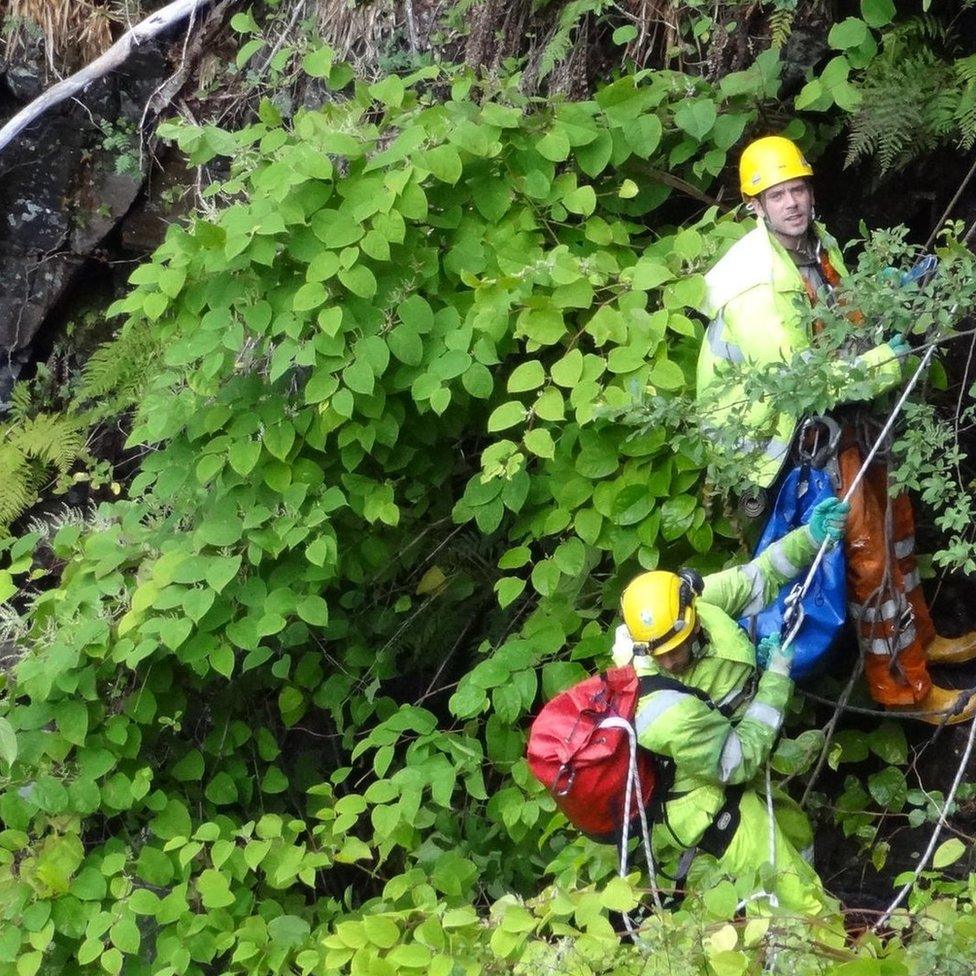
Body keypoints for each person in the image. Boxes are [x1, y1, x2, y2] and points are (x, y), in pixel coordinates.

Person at [695, 134, 976, 724]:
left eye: (798, 188)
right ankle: (905, 690)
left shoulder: (813, 251)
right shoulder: (755, 288)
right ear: (756, 206)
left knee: (896, 524)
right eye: (778, 195)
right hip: (784, 450)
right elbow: (806, 380)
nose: (792, 202)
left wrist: (887, 299)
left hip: (830, 423)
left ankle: (921, 641)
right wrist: (885, 359)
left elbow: (840, 321)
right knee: (867, 553)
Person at [613, 497, 848, 919]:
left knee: (797, 836)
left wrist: (810, 538)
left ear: (691, 612)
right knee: (797, 904)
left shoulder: (697, 604)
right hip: (710, 801)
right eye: (658, 653)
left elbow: (760, 576)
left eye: (676, 646)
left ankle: (782, 940)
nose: (669, 660)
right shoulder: (660, 708)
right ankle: (813, 939)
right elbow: (736, 760)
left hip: (741, 778)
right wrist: (776, 677)